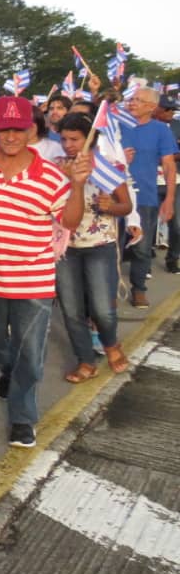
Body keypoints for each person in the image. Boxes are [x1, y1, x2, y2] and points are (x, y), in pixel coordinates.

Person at [0, 96, 89, 448]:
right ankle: (11, 370)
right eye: (4, 129)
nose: (11, 136)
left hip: (35, 281)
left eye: (18, 129)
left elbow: (69, 221)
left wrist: (76, 185)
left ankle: (22, 417)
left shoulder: (50, 175)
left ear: (31, 129)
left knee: (31, 354)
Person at [55, 114, 132, 381]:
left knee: (101, 307)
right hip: (65, 248)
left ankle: (111, 345)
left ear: (90, 138)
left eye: (74, 139)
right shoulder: (56, 167)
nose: (68, 145)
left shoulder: (106, 167)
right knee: (71, 308)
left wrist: (112, 206)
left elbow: (127, 205)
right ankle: (85, 361)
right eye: (64, 139)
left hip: (100, 245)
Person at [123, 87, 176, 307]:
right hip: (115, 196)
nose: (132, 102)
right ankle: (110, 291)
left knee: (142, 247)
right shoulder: (118, 125)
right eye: (132, 98)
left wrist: (169, 199)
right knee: (111, 247)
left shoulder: (161, 130)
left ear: (151, 107)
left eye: (138, 100)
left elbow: (169, 165)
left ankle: (139, 289)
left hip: (145, 197)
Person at [152, 96, 180, 273]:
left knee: (177, 225)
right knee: (148, 225)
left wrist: (167, 155)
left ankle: (173, 258)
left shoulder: (177, 126)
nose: (171, 112)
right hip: (151, 181)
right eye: (167, 109)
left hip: (175, 181)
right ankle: (144, 260)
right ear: (156, 109)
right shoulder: (144, 126)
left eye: (172, 109)